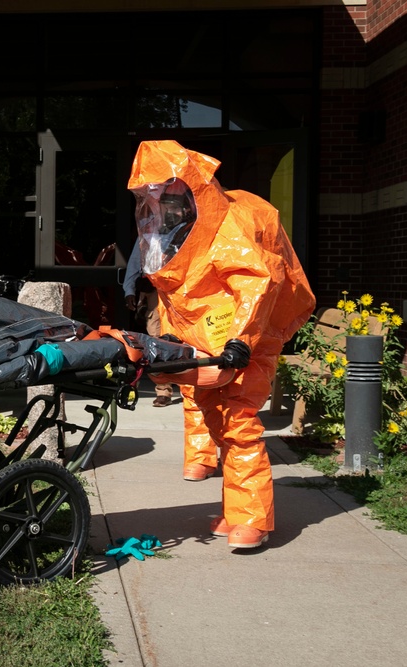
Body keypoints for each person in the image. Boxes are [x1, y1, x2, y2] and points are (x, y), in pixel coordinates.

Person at [128, 139, 315, 549]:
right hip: (211, 339)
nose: (160, 204)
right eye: (151, 196)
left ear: (190, 187)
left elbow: (257, 284)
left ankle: (253, 520)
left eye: (167, 193)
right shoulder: (174, 232)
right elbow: (176, 291)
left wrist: (241, 341)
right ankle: (236, 511)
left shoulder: (230, 225)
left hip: (251, 334)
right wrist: (176, 338)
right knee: (216, 419)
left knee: (239, 422)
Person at [122, 240, 175, 407]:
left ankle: (170, 388)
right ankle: (162, 388)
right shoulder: (148, 229)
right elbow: (135, 262)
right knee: (156, 339)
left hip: (177, 289)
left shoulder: (186, 226)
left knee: (171, 338)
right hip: (153, 291)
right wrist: (129, 289)